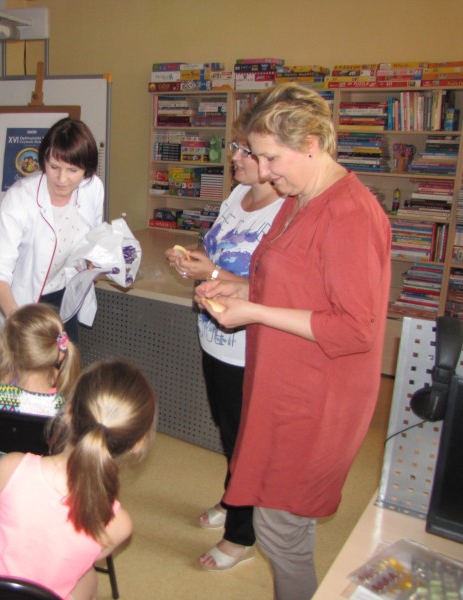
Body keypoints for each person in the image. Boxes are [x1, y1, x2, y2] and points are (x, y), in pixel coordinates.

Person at [196, 83, 391, 600]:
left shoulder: (350, 213)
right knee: (278, 521)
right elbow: (292, 283)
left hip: (317, 399)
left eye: (271, 157)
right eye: (256, 156)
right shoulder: (297, 198)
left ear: (311, 144)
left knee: (282, 531)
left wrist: (255, 311)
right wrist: (239, 289)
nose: (262, 171)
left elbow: (355, 328)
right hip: (283, 386)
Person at [165, 108, 285, 571]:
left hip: (250, 346)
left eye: (244, 151)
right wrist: (195, 261)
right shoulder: (236, 195)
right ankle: (233, 497)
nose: (233, 157)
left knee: (246, 440)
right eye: (236, 148)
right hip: (215, 335)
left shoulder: (286, 210)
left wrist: (211, 272)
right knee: (227, 427)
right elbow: (216, 252)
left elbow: (272, 288)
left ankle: (241, 535)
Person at [0, 358, 157, 600]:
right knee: (87, 577)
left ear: (67, 413)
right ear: (138, 445)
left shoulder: (11, 467)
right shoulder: (118, 524)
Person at [0, 118, 104, 342]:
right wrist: (15, 318)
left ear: (86, 169)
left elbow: (93, 235)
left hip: (66, 292)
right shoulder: (20, 198)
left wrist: (93, 258)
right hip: (20, 300)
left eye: (73, 170)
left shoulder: (92, 188)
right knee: (27, 361)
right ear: (43, 159)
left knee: (66, 359)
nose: (62, 179)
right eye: (54, 167)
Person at [0, 302, 82, 491]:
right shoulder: (64, 410)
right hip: (43, 489)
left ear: (7, 353)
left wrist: (3, 385)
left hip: (2, 485)